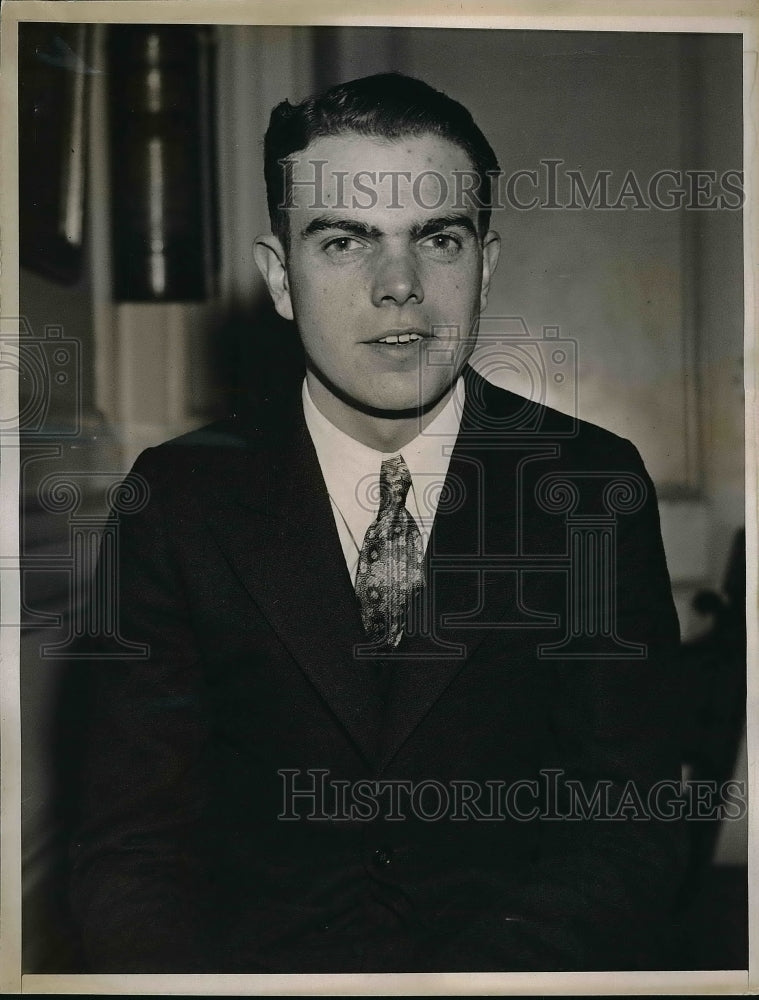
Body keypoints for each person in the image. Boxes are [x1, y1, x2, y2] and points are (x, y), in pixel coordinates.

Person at [70, 72, 685, 973]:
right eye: (345, 240)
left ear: (486, 262)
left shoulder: (589, 485)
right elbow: (129, 853)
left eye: (437, 238)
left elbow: (631, 824)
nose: (398, 285)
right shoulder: (175, 502)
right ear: (280, 279)